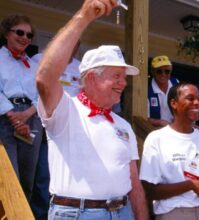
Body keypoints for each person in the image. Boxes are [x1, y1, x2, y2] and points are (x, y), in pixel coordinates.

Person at [35, 0, 148, 219]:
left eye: (124, 78)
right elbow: (44, 79)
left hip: (123, 213)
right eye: (116, 76)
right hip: (77, 214)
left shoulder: (123, 125)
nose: (123, 83)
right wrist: (84, 16)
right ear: (92, 78)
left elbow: (133, 181)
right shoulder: (65, 110)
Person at [140, 82, 199, 220]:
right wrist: (190, 185)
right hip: (174, 214)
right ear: (174, 103)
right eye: (190, 98)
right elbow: (150, 190)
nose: (197, 103)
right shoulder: (157, 139)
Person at [0, 14, 44, 202]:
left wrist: (27, 114)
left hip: (32, 118)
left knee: (28, 178)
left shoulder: (34, 65)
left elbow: (43, 93)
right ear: (7, 33)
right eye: (20, 32)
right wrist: (13, 116)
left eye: (29, 35)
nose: (25, 38)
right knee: (9, 177)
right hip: (4, 119)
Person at [148, 55, 179, 127]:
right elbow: (144, 117)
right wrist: (159, 122)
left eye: (167, 71)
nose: (163, 74)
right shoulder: (147, 88)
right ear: (153, 72)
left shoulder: (176, 83)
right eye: (159, 71)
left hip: (176, 129)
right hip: (155, 130)